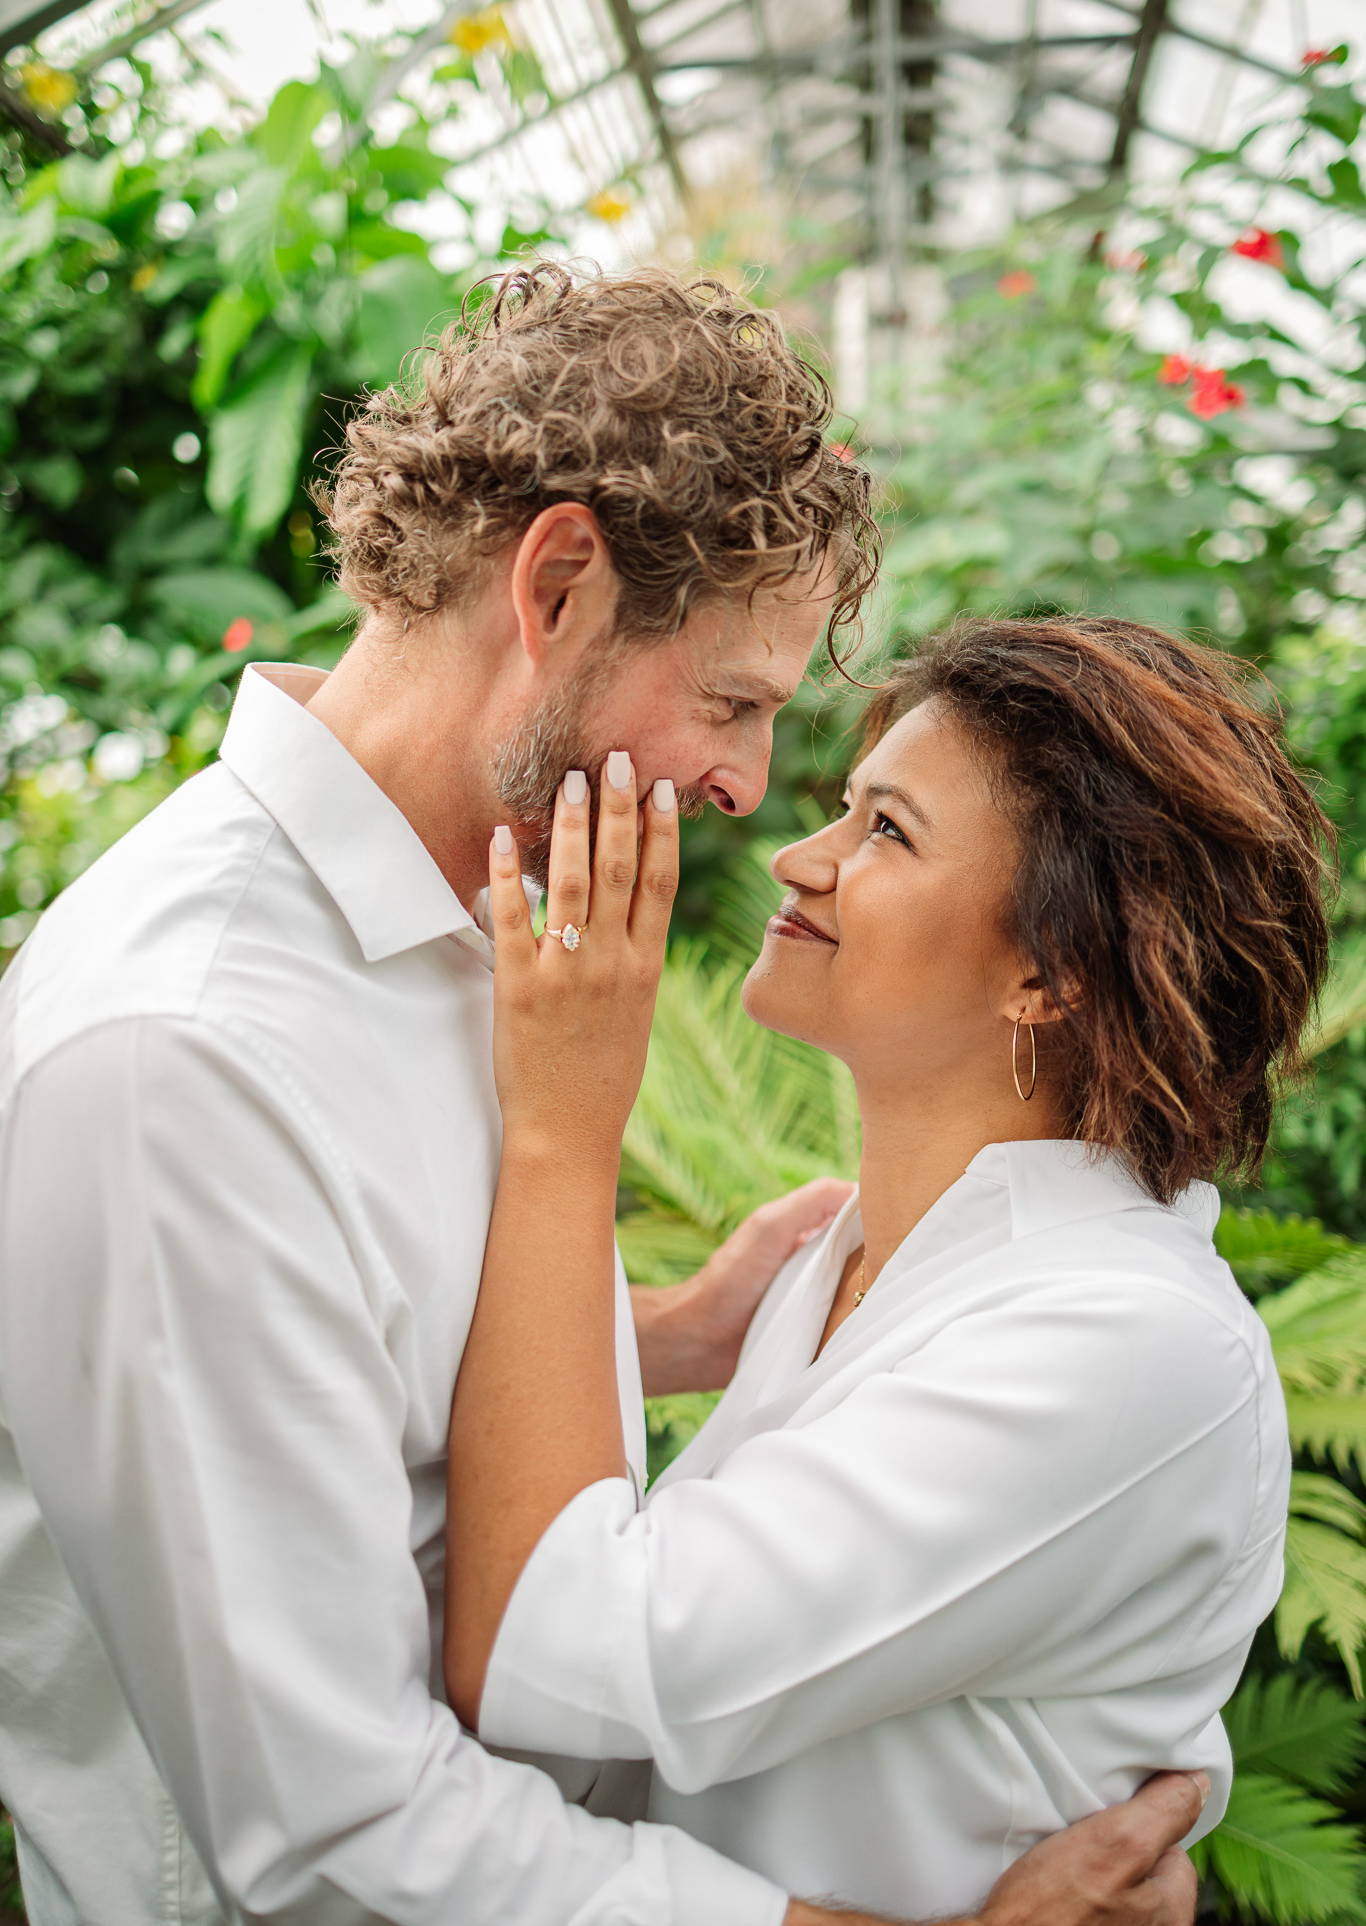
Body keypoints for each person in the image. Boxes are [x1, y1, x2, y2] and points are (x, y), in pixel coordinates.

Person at [0, 261, 1200, 1926]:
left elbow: (326, 1366)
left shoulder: (476, 934)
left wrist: (670, 1335)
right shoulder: (186, 1053)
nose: (745, 788)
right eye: (730, 701)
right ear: (555, 585)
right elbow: (326, 1823)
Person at [444, 615, 1329, 1921]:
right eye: (842, 811)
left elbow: (549, 1655)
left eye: (886, 832)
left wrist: (563, 1136)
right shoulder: (850, 1255)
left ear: (1048, 973)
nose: (802, 861)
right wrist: (677, 1336)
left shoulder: (1124, 1343)